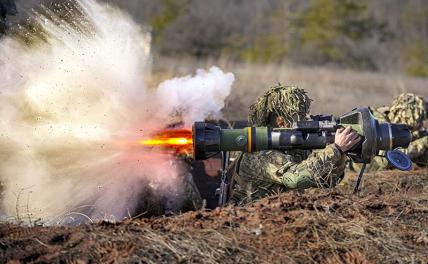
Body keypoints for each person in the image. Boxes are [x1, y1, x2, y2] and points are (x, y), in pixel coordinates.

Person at [227, 84, 361, 205]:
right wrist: (335, 149)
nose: (306, 120)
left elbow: (327, 181)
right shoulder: (261, 153)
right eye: (301, 116)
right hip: (247, 221)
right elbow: (296, 178)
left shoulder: (292, 148)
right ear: (281, 122)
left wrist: (340, 153)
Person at [366, 93, 428, 170]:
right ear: (409, 116)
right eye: (420, 118)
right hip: (359, 174)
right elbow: (386, 159)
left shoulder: (401, 129)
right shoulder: (377, 124)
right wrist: (422, 143)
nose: (422, 124)